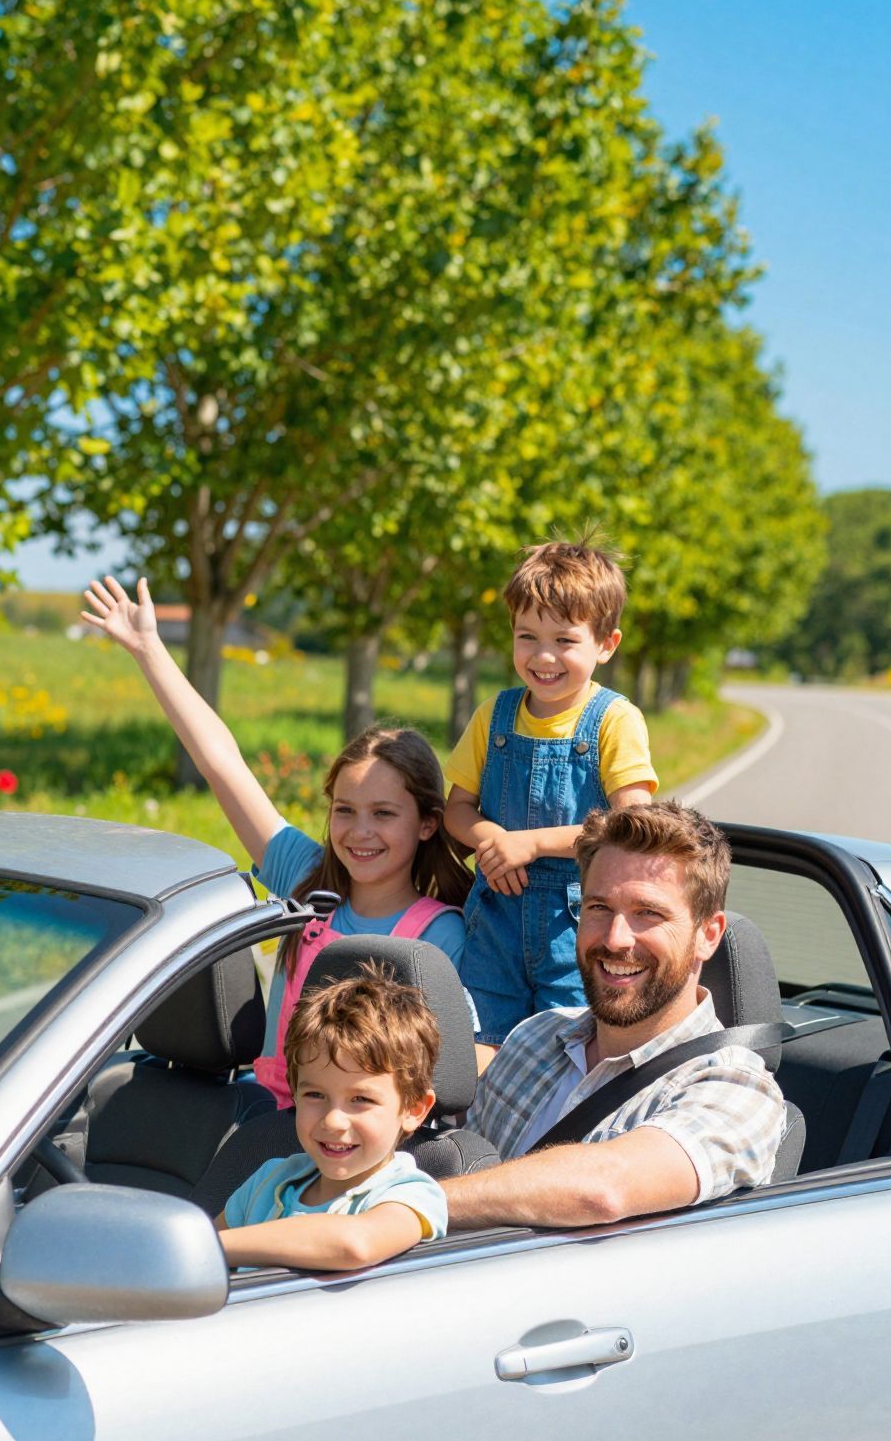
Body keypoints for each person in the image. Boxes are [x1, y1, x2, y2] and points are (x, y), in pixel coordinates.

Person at [81, 575, 472, 1106]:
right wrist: (150, 649)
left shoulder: (440, 937)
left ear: (428, 823)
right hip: (266, 1120)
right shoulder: (305, 879)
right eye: (344, 811)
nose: (359, 832)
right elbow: (221, 764)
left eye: (383, 814)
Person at [441, 801, 786, 1231]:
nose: (616, 939)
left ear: (707, 934)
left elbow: (603, 1188)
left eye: (648, 913)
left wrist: (404, 1209)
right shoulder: (534, 1037)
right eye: (599, 908)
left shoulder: (737, 1089)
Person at [444, 538, 657, 1048]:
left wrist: (531, 844)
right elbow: (456, 808)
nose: (543, 656)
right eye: (526, 636)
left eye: (565, 640)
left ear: (606, 644)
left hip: (579, 922)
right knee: (482, 1041)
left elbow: (631, 824)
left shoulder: (613, 720)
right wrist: (491, 837)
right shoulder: (493, 715)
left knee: (568, 1047)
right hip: (494, 918)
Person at [217, 966, 448, 1271]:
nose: (333, 1121)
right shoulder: (270, 1180)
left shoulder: (411, 1194)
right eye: (315, 1095)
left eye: (361, 1099)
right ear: (295, 1093)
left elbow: (353, 1245)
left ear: (414, 1109)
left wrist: (217, 1247)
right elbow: (195, 1254)